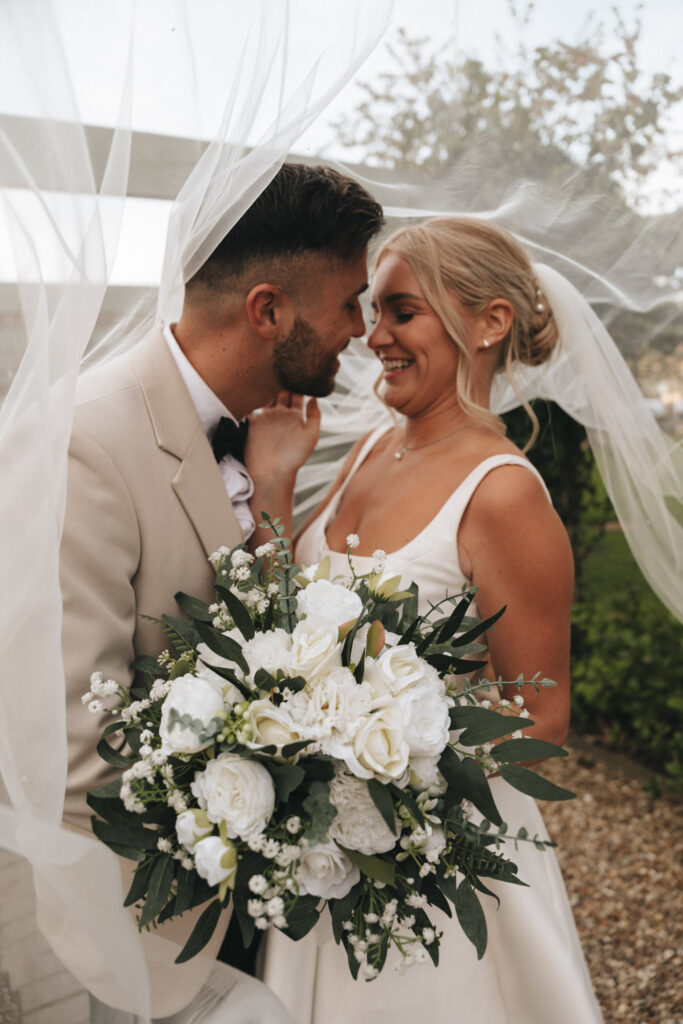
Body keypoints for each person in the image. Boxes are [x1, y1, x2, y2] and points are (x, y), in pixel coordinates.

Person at [246, 217, 604, 1022]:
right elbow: (278, 620)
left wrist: (378, 771)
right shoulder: (371, 448)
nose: (374, 338)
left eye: (400, 312)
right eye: (372, 314)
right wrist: (273, 483)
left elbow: (541, 717)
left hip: (429, 872)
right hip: (318, 850)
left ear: (488, 322)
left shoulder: (503, 494)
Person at [59, 162, 383, 1021]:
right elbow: (72, 755)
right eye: (349, 300)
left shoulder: (271, 433)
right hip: (122, 932)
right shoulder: (88, 445)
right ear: (268, 309)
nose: (362, 327)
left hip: (245, 914)